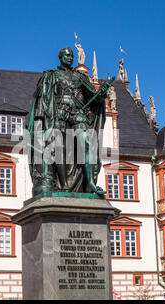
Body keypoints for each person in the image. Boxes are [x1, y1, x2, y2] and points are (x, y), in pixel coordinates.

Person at [28, 47, 110, 197]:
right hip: (59, 114)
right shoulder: (52, 75)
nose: (70, 58)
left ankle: (90, 182)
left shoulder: (81, 77)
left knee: (86, 142)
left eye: (72, 55)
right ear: (60, 57)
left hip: (78, 114)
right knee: (59, 148)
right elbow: (44, 99)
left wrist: (101, 93)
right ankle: (64, 184)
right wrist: (42, 122)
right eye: (67, 55)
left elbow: (94, 98)